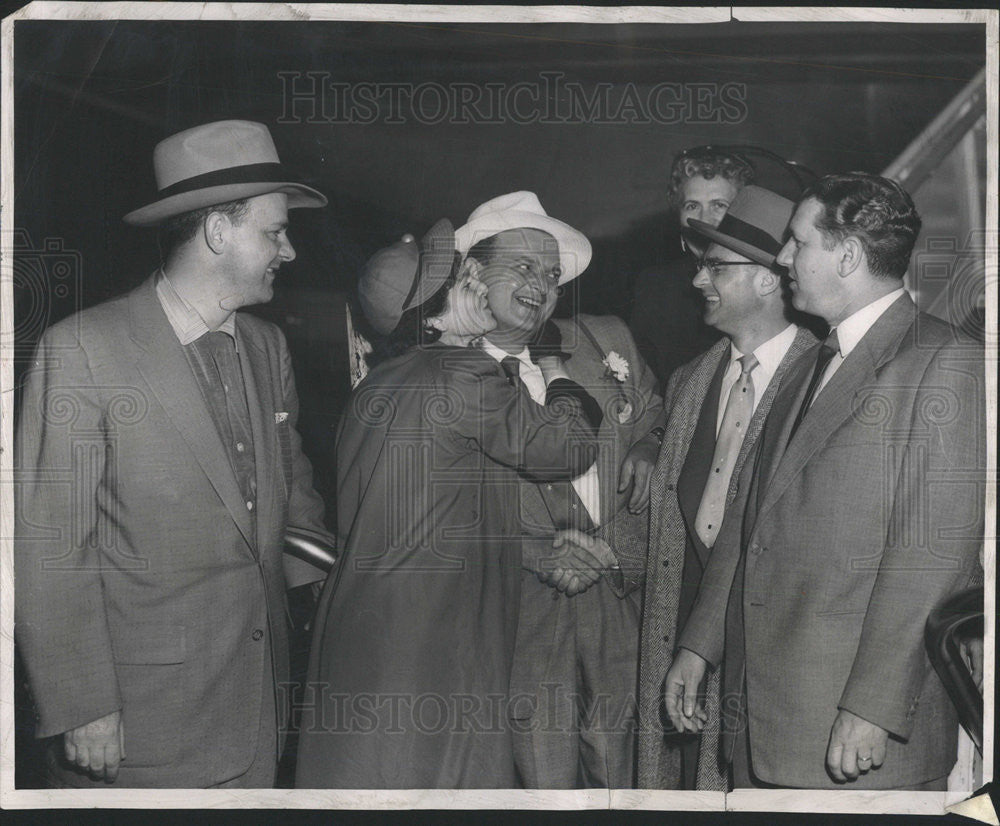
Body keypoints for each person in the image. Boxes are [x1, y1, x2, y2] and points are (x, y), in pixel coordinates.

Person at [15, 120, 335, 787]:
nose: (290, 251)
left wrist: (332, 600)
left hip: (260, 709)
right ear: (218, 231)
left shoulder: (266, 346)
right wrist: (85, 705)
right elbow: (51, 547)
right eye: (274, 232)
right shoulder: (83, 349)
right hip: (140, 727)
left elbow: (292, 488)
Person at [665, 173, 985, 790]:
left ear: (848, 256)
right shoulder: (809, 362)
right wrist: (699, 645)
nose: (783, 257)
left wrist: (871, 707)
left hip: (854, 730)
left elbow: (931, 559)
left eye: (797, 242)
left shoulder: (942, 362)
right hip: (767, 723)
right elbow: (748, 518)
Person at [294, 219, 603, 789]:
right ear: (442, 302)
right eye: (466, 277)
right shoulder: (461, 371)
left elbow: (428, 514)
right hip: (434, 640)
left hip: (366, 634)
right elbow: (569, 448)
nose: (481, 284)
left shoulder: (374, 386)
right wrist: (560, 378)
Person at [454, 191, 663, 788]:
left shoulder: (604, 338)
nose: (541, 285)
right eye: (521, 267)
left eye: (550, 274)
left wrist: (647, 448)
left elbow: (656, 413)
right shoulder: (442, 371)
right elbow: (425, 511)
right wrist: (530, 551)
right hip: (518, 612)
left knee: (628, 776)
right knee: (537, 780)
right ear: (472, 273)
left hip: (619, 595)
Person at [634, 185, 817, 790]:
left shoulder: (824, 381)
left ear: (769, 279)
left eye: (716, 266)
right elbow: (667, 516)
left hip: (772, 656)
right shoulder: (689, 382)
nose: (697, 281)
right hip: (682, 635)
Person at [629, 147, 755, 390]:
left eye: (719, 205)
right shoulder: (655, 286)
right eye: (692, 206)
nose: (703, 219)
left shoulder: (761, 280)